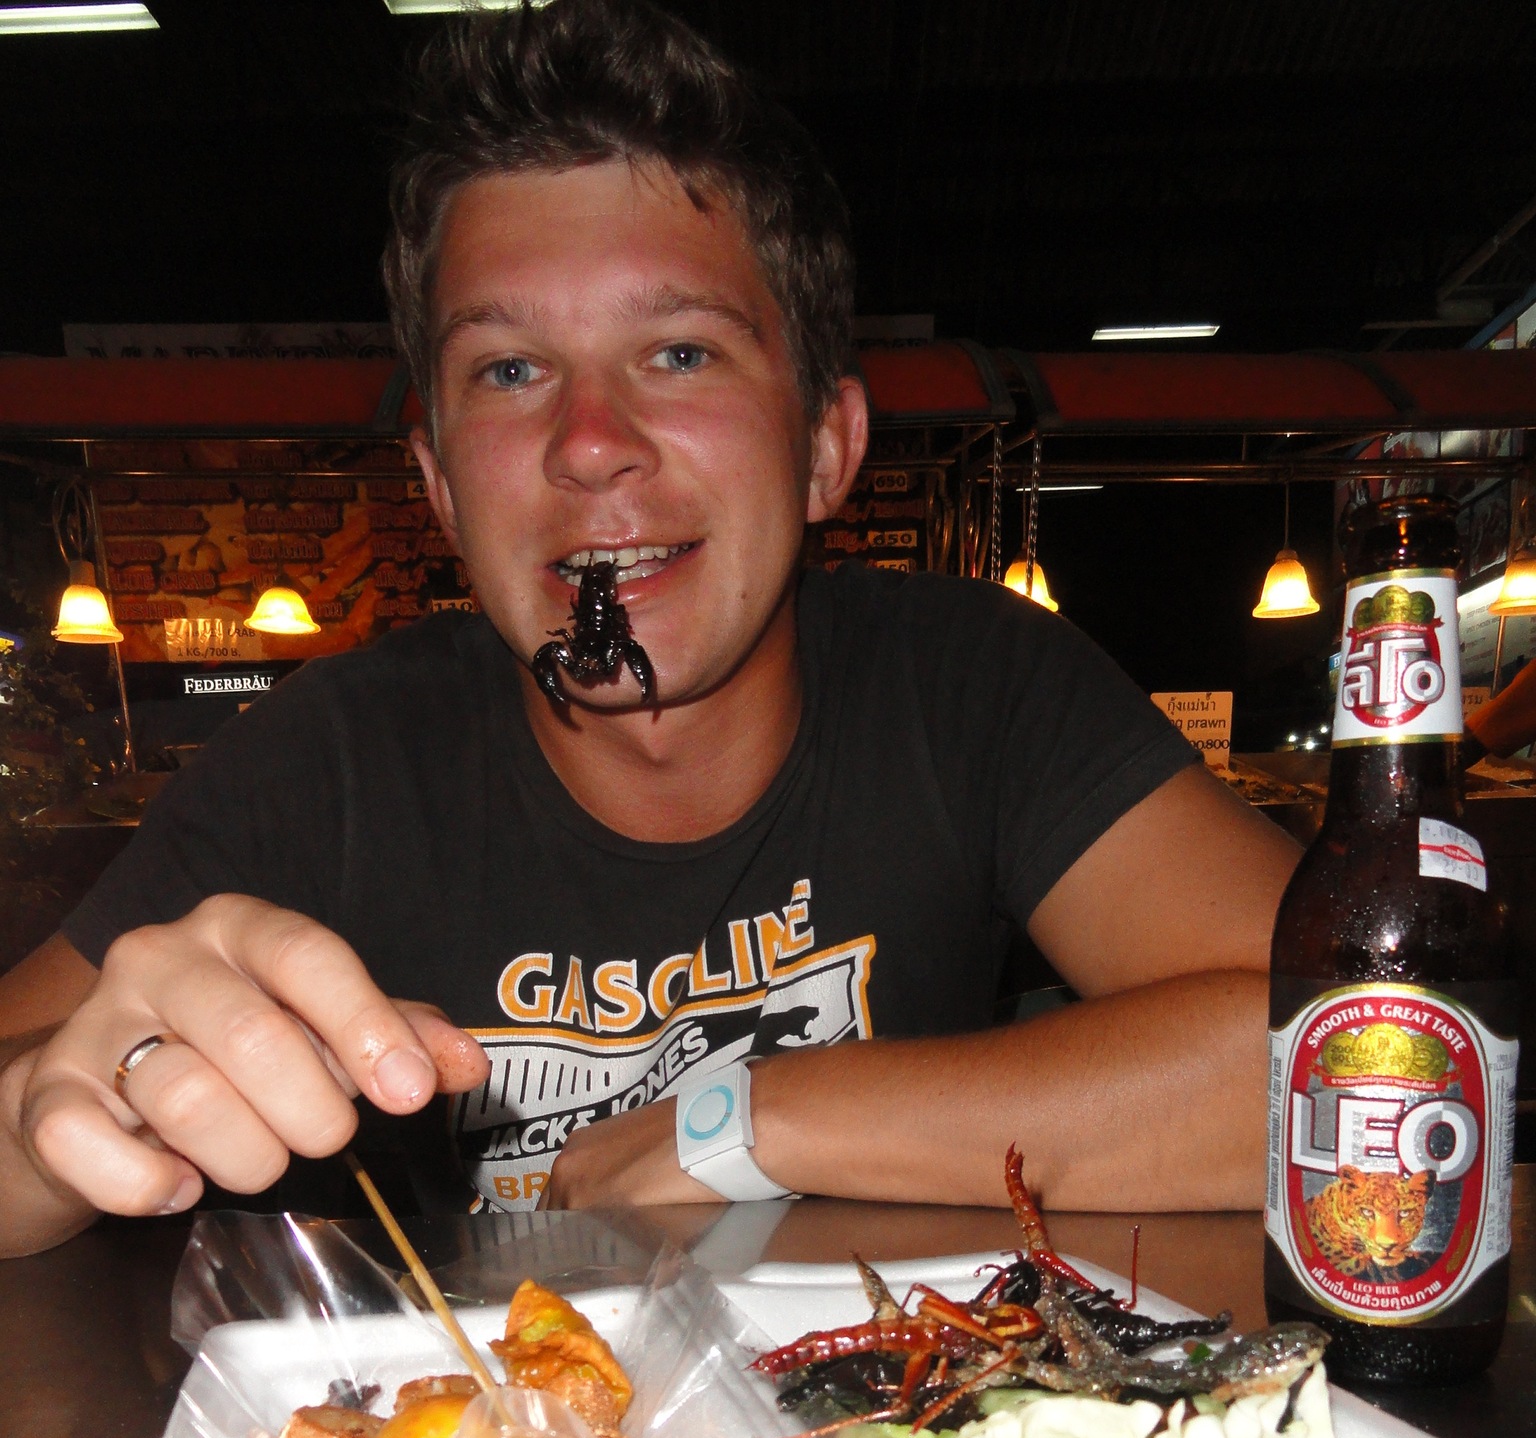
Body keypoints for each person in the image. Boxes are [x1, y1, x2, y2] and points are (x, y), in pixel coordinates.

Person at [0, 0, 1298, 1261]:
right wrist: (44, 1131)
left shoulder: (970, 681)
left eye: (679, 352)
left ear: (826, 446)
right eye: (510, 370)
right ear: (442, 487)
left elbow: (1360, 1050)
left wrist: (752, 1119)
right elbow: (30, 1105)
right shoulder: (321, 764)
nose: (588, 443)